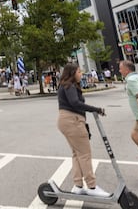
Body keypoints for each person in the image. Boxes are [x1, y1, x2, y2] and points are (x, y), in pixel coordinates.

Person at [56, 63, 110, 197]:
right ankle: (91, 186)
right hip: (72, 120)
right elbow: (75, 103)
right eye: (79, 72)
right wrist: (96, 109)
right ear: (72, 73)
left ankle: (78, 185)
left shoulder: (65, 85)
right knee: (84, 154)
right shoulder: (70, 86)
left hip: (66, 120)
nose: (81, 74)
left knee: (77, 153)